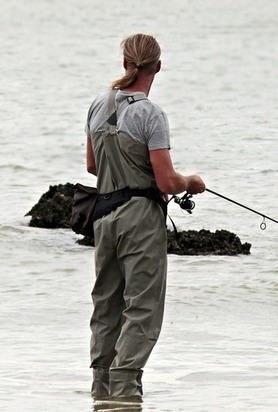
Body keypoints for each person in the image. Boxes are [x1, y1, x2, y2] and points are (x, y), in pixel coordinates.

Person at [84, 33, 205, 403]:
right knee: (142, 307)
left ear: (125, 64)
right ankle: (124, 390)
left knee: (107, 304)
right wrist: (192, 183)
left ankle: (101, 391)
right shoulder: (150, 113)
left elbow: (92, 166)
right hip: (139, 218)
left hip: (103, 216)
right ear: (158, 67)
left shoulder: (97, 106)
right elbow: (167, 180)